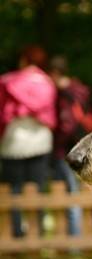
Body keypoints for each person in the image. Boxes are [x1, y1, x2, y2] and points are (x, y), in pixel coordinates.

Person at [0, 45, 57, 239]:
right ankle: (37, 231)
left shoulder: (9, 81)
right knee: (37, 188)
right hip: (40, 140)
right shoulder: (47, 83)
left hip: (14, 141)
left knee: (13, 190)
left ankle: (16, 232)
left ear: (24, 59)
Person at [49, 55, 92, 238]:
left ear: (54, 73)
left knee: (72, 194)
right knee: (86, 191)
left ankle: (75, 240)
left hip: (68, 152)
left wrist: (56, 146)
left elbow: (67, 125)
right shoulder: (79, 89)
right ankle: (86, 236)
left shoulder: (64, 94)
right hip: (84, 147)